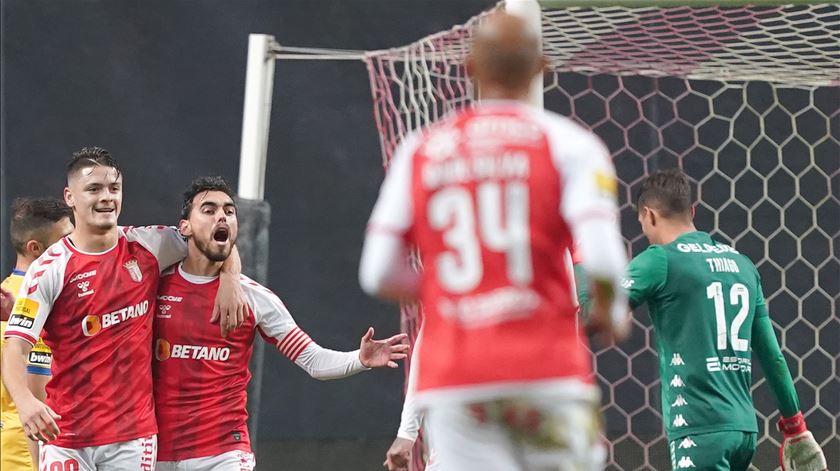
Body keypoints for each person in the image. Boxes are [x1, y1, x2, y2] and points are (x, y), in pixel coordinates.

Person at [359, 12, 628, 470]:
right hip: (547, 375)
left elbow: (377, 271)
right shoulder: (572, 146)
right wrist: (612, 311)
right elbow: (603, 258)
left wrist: (453, 291)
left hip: (460, 381)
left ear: (470, 69)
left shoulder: (422, 151)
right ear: (541, 66)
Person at [2, 147, 247, 470]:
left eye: (113, 189)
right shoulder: (49, 269)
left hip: (132, 439)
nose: (106, 197)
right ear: (70, 197)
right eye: (93, 189)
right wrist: (25, 401)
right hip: (67, 439)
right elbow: (16, 348)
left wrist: (230, 276)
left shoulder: (149, 245)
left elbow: (215, 239)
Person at [152, 176, 409, 471]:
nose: (221, 215)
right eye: (208, 210)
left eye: (229, 211)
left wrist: (359, 359)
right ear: (184, 226)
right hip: (156, 451)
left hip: (223, 454)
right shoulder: (153, 285)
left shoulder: (255, 298)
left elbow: (313, 360)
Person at [622, 168, 827, 470]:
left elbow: (592, 312)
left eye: (641, 221)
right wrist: (795, 426)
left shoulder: (660, 259)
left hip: (699, 428)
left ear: (649, 215)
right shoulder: (742, 265)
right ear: (692, 211)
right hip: (744, 430)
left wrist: (580, 257)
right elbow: (774, 357)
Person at [1, 198, 73, 471]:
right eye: (65, 239)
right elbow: (38, 396)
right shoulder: (29, 304)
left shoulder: (9, 293)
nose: (73, 245)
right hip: (27, 450)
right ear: (35, 248)